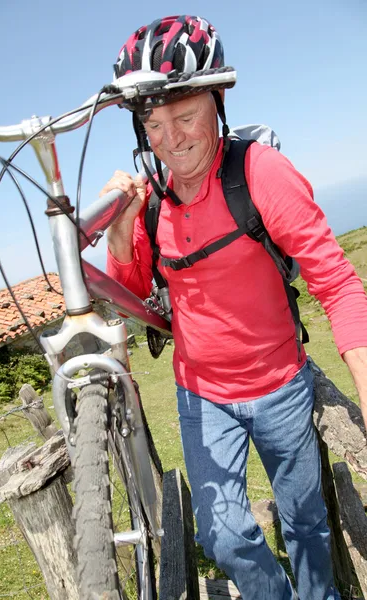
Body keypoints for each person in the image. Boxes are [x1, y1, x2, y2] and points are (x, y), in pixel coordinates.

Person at [103, 15, 367, 600]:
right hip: (201, 394)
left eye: (186, 116)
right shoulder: (150, 201)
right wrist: (121, 231)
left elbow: (339, 283)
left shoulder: (260, 174)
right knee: (221, 537)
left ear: (217, 101)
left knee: (306, 522)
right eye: (153, 123)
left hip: (281, 384)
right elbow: (129, 286)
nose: (172, 139)